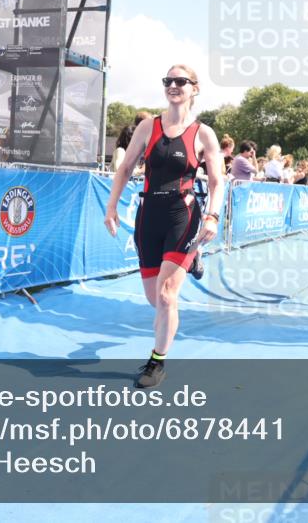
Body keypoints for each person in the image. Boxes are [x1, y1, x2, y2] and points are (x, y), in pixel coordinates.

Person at [103, 64, 224, 389]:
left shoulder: (203, 133)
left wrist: (212, 215)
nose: (173, 85)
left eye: (180, 81)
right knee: (154, 298)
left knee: (168, 296)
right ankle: (190, 260)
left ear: (194, 89)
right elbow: (126, 167)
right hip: (148, 213)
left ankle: (157, 361)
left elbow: (216, 180)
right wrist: (112, 206)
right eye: (168, 80)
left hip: (181, 214)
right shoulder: (148, 126)